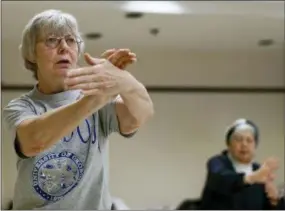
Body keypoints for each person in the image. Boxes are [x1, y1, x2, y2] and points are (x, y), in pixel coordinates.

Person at [3, 9, 154, 210]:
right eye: (51, 40)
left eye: (71, 40)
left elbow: (139, 116)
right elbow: (34, 140)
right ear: (32, 54)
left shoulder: (96, 97)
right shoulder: (21, 107)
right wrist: (95, 100)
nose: (64, 47)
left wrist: (125, 82)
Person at [200, 118, 284, 210]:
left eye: (249, 140)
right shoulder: (217, 163)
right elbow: (223, 179)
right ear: (229, 144)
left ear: (255, 146)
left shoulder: (258, 170)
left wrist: (274, 200)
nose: (244, 144)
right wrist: (252, 178)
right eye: (239, 139)